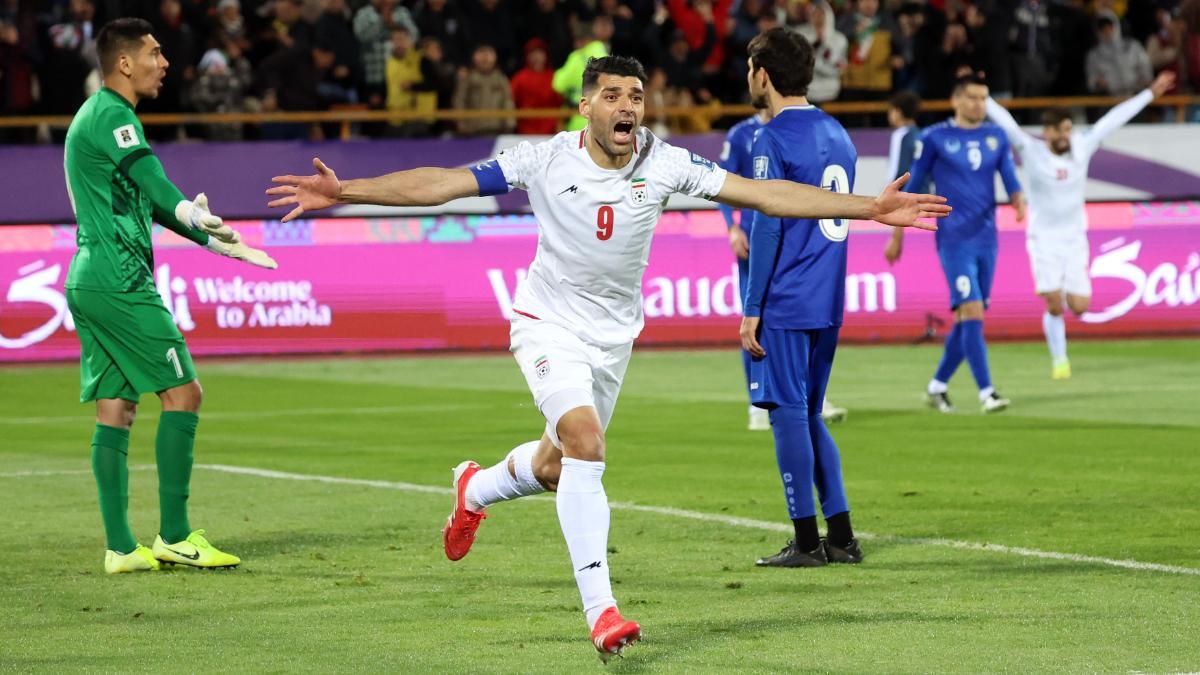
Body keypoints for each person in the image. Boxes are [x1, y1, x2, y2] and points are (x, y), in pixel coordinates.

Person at [266, 55, 947, 660]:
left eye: (638, 95)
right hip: (545, 323)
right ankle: (603, 612)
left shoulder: (666, 161)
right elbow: (443, 182)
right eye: (615, 95)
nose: (629, 107)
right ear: (585, 104)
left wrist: (868, 207)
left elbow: (764, 194)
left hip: (613, 338)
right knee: (587, 444)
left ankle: (473, 487)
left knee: (556, 464)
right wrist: (348, 190)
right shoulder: (544, 158)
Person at [64, 18, 276, 574]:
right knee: (184, 393)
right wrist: (189, 210)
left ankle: (119, 548)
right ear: (125, 62)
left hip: (90, 277)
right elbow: (157, 185)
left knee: (116, 408)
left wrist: (215, 241)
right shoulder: (112, 113)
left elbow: (152, 204)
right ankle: (176, 536)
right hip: (120, 280)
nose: (165, 63)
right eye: (155, 54)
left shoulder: (100, 116)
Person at [738, 28, 862, 569]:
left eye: (749, 67)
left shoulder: (771, 138)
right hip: (828, 294)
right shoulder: (839, 134)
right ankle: (842, 536)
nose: (747, 76)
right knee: (810, 413)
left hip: (787, 295)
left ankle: (808, 543)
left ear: (763, 74)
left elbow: (768, 227)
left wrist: (752, 307)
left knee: (787, 415)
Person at [986, 72, 1174, 378]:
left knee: (1080, 305)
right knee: (1054, 302)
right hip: (1043, 237)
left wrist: (1150, 94)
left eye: (1068, 129)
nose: (1066, 135)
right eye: (1060, 131)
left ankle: (1062, 334)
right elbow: (1006, 123)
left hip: (1075, 237)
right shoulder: (1030, 150)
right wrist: (983, 96)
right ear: (1046, 133)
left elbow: (1114, 119)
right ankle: (1060, 361)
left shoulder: (1082, 146)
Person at [887, 74, 1025, 414]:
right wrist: (897, 233)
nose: (980, 104)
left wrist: (1019, 199)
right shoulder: (936, 137)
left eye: (984, 98)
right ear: (956, 100)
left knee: (970, 318)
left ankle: (937, 385)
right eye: (973, 97)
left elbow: (1008, 174)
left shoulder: (996, 137)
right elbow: (915, 183)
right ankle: (987, 393)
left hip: (987, 238)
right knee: (973, 310)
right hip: (954, 239)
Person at [720, 103, 848, 431]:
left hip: (795, 242)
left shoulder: (796, 131)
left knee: (798, 319)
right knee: (754, 320)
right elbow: (721, 184)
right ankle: (757, 402)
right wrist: (732, 228)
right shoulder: (742, 135)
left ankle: (807, 395)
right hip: (754, 240)